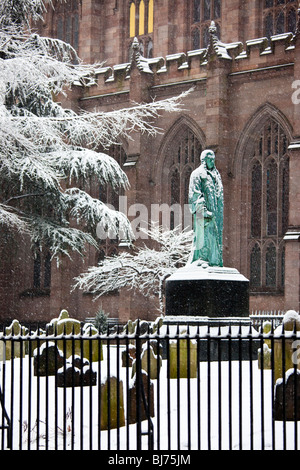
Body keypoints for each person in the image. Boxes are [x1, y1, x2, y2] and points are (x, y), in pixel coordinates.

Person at [188, 149, 223, 267]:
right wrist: (203, 211)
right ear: (203, 160)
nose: (212, 162)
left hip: (215, 214)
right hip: (202, 214)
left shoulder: (217, 175)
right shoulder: (197, 174)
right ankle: (202, 258)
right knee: (203, 236)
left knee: (214, 238)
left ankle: (214, 260)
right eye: (210, 159)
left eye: (213, 159)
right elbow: (194, 195)